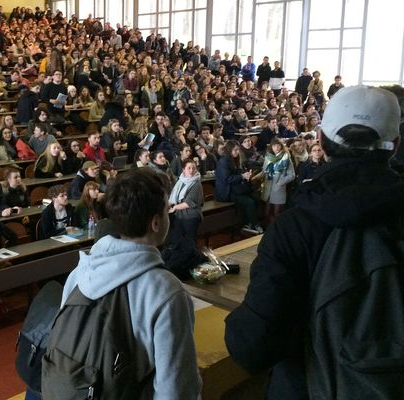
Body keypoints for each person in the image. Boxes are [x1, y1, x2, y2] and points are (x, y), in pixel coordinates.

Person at [225, 85, 404, 399]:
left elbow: (253, 347)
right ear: (394, 146)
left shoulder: (293, 227)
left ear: (320, 140)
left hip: (307, 386)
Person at [53, 168, 202, 398]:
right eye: (166, 210)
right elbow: (176, 388)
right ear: (156, 223)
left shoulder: (82, 268)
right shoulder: (166, 290)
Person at [214, 140, 263, 234]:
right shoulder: (223, 161)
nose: (237, 152)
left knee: (256, 197)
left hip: (236, 188)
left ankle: (249, 223)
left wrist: (246, 174)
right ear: (229, 150)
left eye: (238, 150)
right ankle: (255, 224)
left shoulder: (235, 159)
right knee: (249, 202)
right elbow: (227, 179)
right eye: (235, 150)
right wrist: (242, 176)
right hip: (226, 191)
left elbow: (239, 171)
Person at [255, 138, 295, 223]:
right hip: (267, 188)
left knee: (277, 213)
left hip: (278, 189)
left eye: (278, 145)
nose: (276, 147)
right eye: (274, 146)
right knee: (266, 213)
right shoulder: (268, 157)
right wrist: (254, 177)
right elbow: (264, 172)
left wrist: (280, 182)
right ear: (271, 147)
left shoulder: (286, 159)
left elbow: (292, 175)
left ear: (281, 146)